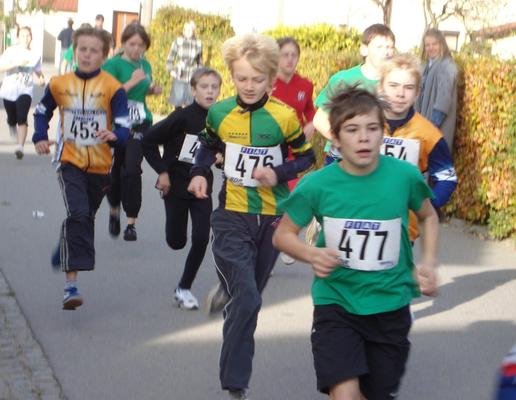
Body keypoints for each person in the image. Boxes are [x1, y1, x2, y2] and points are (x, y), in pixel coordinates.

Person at [272, 87, 439, 400]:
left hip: (390, 304)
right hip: (336, 303)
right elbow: (282, 235)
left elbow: (429, 217)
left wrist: (428, 261)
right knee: (345, 394)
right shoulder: (317, 185)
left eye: (372, 129)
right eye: (352, 130)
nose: (363, 137)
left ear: (382, 134)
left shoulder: (404, 176)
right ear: (335, 139)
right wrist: (311, 253)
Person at [187, 34, 315, 399]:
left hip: (273, 219)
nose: (249, 86)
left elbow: (306, 157)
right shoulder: (220, 113)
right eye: (242, 78)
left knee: (247, 298)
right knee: (249, 299)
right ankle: (235, 383)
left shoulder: (284, 116)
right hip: (232, 214)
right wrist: (199, 173)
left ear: (272, 80)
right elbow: (206, 147)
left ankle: (228, 290)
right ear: (232, 75)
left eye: (258, 79)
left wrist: (278, 172)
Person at [32, 25, 130, 310]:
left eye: (94, 50)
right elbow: (41, 112)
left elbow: (123, 123)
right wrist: (39, 136)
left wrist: (117, 137)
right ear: (75, 51)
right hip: (69, 162)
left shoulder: (113, 88)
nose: (87, 55)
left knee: (84, 219)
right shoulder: (59, 83)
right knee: (78, 213)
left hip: (100, 168)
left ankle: (64, 249)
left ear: (104, 54)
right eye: (82, 49)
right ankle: (70, 286)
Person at [143, 67, 222, 310]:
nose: (210, 91)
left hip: (201, 187)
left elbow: (224, 148)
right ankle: (176, 240)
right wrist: (162, 172)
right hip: (175, 185)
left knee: (201, 237)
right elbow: (148, 140)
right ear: (193, 90)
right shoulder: (182, 117)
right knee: (176, 241)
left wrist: (219, 155)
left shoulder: (220, 120)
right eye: (204, 87)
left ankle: (183, 287)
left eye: (214, 87)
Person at [379, 53, 457, 240]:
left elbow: (447, 178)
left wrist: (426, 205)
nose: (400, 94)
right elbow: (335, 162)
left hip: (404, 229)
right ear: (380, 88)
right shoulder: (360, 124)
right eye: (393, 86)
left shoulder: (429, 134)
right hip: (358, 218)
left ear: (417, 93)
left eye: (408, 87)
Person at [103, 21, 162, 241]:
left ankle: (131, 222)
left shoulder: (145, 65)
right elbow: (108, 95)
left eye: (141, 45)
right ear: (124, 43)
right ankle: (114, 210)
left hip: (140, 122)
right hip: (117, 123)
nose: (137, 49)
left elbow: (142, 92)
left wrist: (153, 90)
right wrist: (131, 81)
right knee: (115, 171)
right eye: (132, 44)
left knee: (132, 169)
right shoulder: (113, 65)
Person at [313, 23, 395, 164]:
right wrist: (344, 143)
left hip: (379, 161)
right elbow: (320, 120)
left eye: (389, 47)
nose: (386, 52)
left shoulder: (397, 84)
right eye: (379, 47)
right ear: (364, 50)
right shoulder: (343, 79)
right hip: (340, 159)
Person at [271, 36, 316, 265]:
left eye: (293, 55)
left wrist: (311, 124)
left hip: (294, 149)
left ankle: (288, 238)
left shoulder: (305, 85)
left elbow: (311, 110)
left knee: (293, 194)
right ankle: (271, 243)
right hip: (269, 148)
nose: (289, 60)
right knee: (272, 198)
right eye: (284, 55)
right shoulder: (267, 83)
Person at [0, 26, 45, 159]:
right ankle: (11, 123)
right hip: (9, 90)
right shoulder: (10, 51)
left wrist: (41, 79)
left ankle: (20, 147)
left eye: (28, 36)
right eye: (23, 36)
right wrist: (15, 64)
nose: (26, 38)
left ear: (31, 37)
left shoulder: (35, 54)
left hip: (25, 90)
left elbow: (37, 70)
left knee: (22, 117)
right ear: (18, 37)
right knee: (13, 118)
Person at [415, 28, 458, 153]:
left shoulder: (447, 67)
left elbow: (443, 100)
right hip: (422, 123)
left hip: (436, 124)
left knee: (436, 164)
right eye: (427, 45)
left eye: (434, 44)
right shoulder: (424, 67)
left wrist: (430, 129)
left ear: (441, 45)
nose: (431, 48)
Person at [166, 21, 202, 108]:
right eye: (186, 30)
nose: (188, 32)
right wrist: (171, 70)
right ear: (183, 31)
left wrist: (200, 74)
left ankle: (188, 121)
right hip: (179, 73)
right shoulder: (178, 41)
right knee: (177, 102)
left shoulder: (198, 43)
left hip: (192, 75)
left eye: (190, 30)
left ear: (193, 31)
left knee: (190, 103)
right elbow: (170, 58)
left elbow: (199, 61)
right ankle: (177, 121)